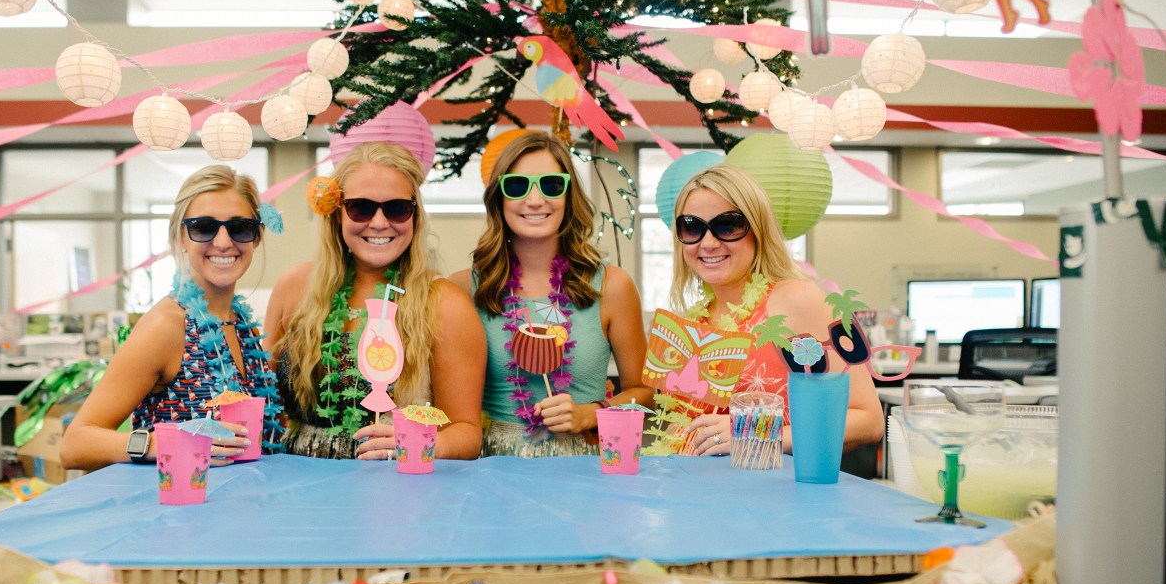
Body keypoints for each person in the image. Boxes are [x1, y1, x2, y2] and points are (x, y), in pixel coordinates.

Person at [264, 141, 485, 460]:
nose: (379, 223)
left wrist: (417, 443)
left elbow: (466, 431)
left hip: (392, 482)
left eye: (397, 208)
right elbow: (264, 401)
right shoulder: (296, 287)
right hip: (296, 480)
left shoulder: (445, 304)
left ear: (415, 215)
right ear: (337, 214)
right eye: (361, 208)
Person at [61, 165, 283, 470]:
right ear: (180, 236)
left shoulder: (242, 326)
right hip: (181, 500)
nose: (223, 242)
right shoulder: (166, 326)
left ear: (256, 237)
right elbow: (75, 445)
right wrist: (165, 443)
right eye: (203, 227)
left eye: (240, 227)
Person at [451, 131, 652, 456]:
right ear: (499, 198)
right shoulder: (462, 290)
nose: (535, 200)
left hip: (583, 469)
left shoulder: (611, 286)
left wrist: (591, 414)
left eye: (551, 185)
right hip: (493, 468)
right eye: (517, 186)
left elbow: (646, 394)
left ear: (569, 196)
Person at [667, 164, 882, 457]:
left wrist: (753, 431)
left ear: (758, 230)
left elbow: (869, 420)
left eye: (727, 225)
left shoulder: (801, 299)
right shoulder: (693, 319)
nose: (708, 243)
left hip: (771, 484)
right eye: (692, 227)